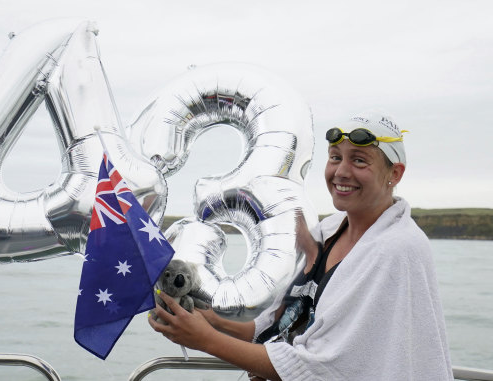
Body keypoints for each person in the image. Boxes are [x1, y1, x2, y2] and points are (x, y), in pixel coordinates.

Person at [149, 110, 453, 380]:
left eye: (359, 161)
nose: (342, 171)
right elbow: (280, 325)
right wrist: (212, 323)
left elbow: (327, 366)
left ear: (395, 174)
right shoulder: (328, 231)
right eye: (335, 157)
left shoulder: (397, 249)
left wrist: (206, 340)